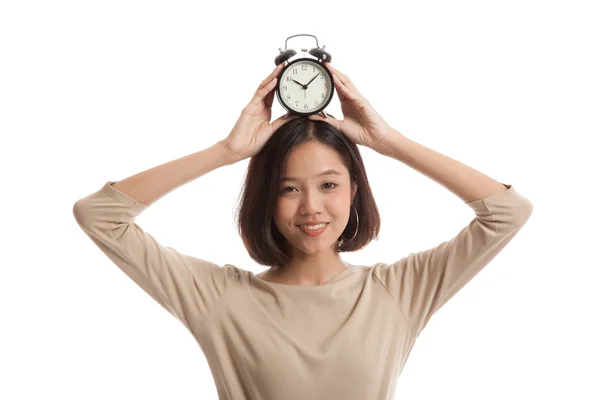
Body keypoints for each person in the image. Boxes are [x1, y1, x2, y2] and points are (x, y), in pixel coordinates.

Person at [73, 61, 533, 399]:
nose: (311, 207)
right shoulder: (218, 298)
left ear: (354, 189)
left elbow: (507, 212)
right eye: (288, 188)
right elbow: (99, 215)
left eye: (328, 184)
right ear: (265, 198)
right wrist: (228, 150)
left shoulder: (396, 291)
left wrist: (388, 141)